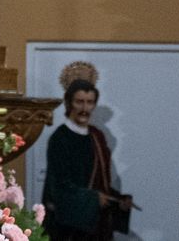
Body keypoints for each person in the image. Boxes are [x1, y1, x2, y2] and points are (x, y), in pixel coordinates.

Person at [43, 63, 132, 241]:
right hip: (69, 228)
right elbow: (59, 188)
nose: (84, 109)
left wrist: (118, 201)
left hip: (97, 225)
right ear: (69, 103)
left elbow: (100, 184)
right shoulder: (60, 138)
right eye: (79, 102)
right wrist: (93, 199)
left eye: (90, 102)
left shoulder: (97, 136)